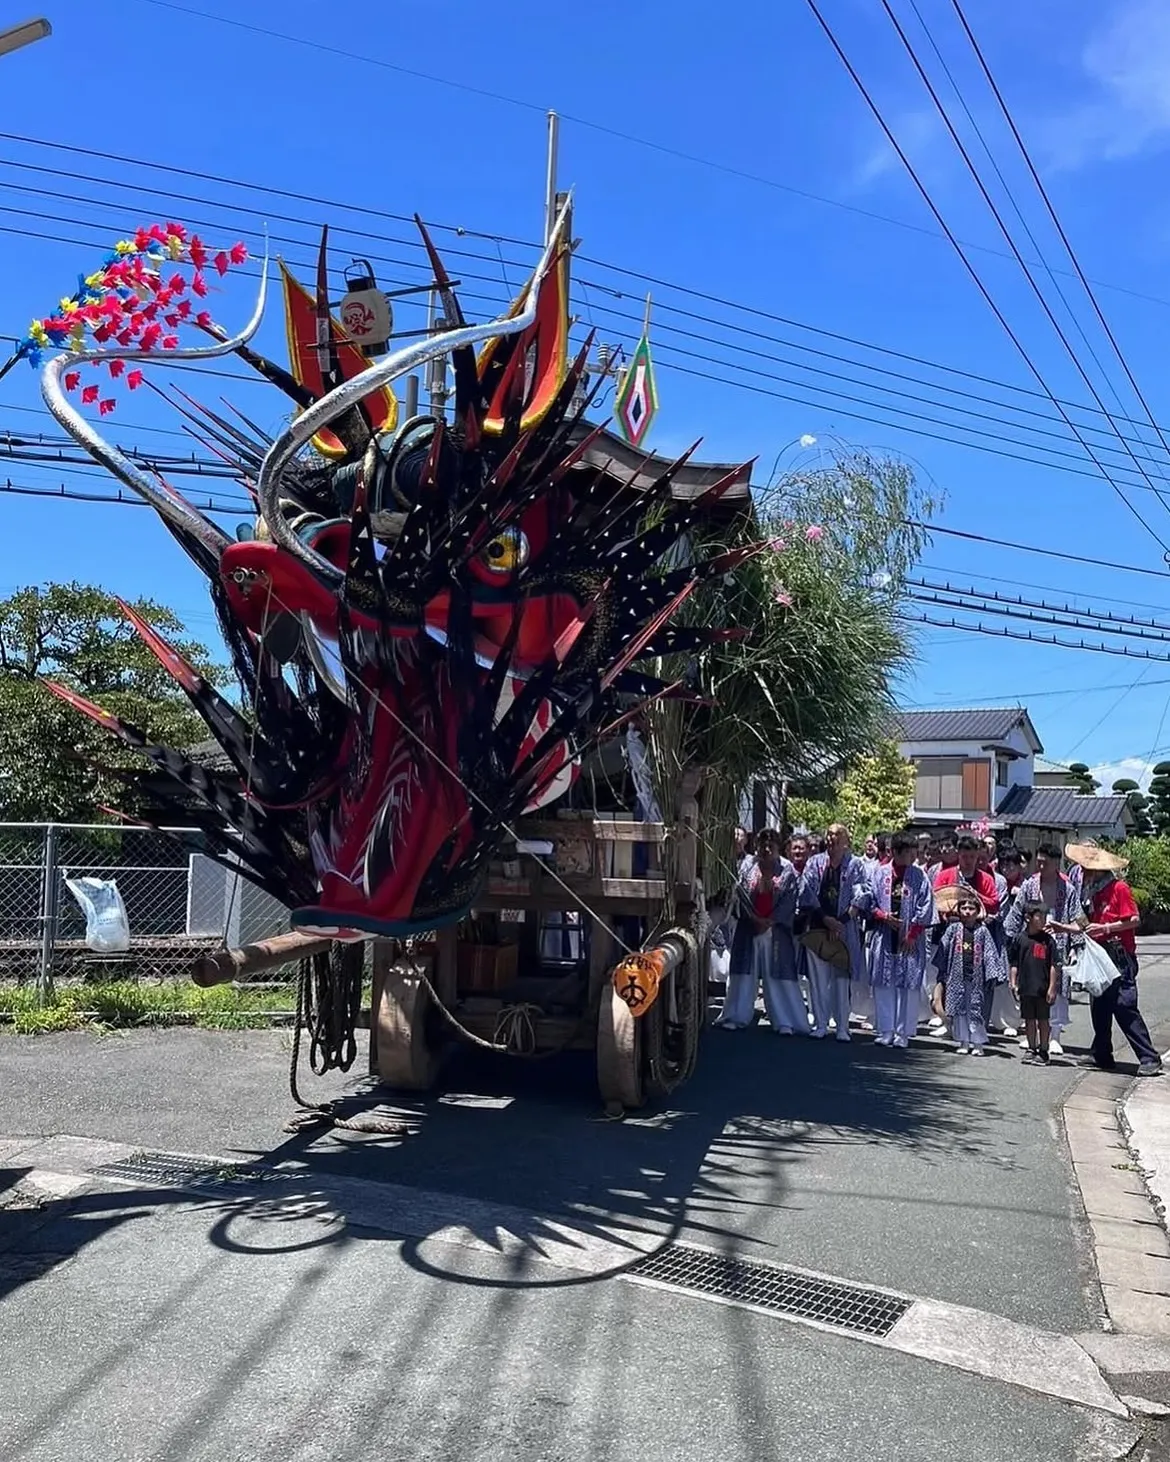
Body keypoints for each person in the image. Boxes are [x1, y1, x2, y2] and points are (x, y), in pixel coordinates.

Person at [1069, 842, 1163, 1077]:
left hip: (1119, 953)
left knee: (1124, 1004)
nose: (1083, 872)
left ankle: (1149, 1057)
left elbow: (1133, 919)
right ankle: (1102, 1054)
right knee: (1099, 1005)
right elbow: (1086, 921)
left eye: (1087, 868)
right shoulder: (1091, 891)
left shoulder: (1119, 888)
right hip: (1099, 953)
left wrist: (1105, 928)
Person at [720, 831, 805, 1033]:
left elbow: (789, 900)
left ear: (778, 848)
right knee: (743, 976)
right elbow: (739, 895)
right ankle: (736, 1015)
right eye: (762, 846)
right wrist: (754, 918)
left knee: (778, 977)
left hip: (775, 931)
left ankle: (785, 1020)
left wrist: (770, 921)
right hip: (749, 927)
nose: (766, 850)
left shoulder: (787, 870)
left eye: (771, 846)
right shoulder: (748, 866)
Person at [798, 822, 874, 1042]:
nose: (832, 839)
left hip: (844, 928)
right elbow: (807, 892)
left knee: (841, 980)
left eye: (837, 835)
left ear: (846, 841)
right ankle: (821, 1023)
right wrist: (825, 919)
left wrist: (840, 921)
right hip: (818, 925)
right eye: (829, 834)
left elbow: (862, 895)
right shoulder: (815, 862)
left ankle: (842, 1026)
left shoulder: (856, 865)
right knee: (818, 979)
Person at [1003, 842, 1080, 1056]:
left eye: (1045, 863)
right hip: (1032, 941)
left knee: (1057, 990)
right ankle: (1032, 1037)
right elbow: (1017, 913)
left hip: (1058, 941)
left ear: (1056, 863)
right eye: (1038, 862)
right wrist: (1011, 938)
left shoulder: (1069, 888)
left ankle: (1054, 1035)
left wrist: (1072, 941)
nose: (1041, 866)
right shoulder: (1029, 885)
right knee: (1031, 990)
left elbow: (1080, 921)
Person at [867, 832, 936, 1048]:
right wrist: (881, 915)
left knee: (908, 986)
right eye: (906, 852)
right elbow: (868, 899)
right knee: (884, 984)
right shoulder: (880, 873)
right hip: (885, 933)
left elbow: (926, 906)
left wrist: (913, 934)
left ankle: (903, 1032)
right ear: (895, 852)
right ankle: (886, 1029)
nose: (911, 857)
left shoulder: (919, 876)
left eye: (913, 852)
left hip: (910, 937)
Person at [937, 890, 997, 1054]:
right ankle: (963, 1042)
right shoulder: (953, 929)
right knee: (959, 1010)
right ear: (959, 910)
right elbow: (943, 949)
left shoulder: (983, 931)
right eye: (964, 908)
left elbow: (989, 953)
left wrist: (992, 974)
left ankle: (978, 1043)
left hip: (975, 977)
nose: (968, 912)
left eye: (971, 908)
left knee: (975, 1009)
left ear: (978, 912)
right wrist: (942, 972)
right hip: (956, 977)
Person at [1010, 901, 1060, 1066]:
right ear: (1028, 918)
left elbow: (1054, 965)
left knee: (1043, 1020)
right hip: (1026, 987)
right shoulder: (1020, 939)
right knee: (1029, 1020)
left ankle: (1044, 1050)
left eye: (1045, 916)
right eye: (1039, 916)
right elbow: (1014, 963)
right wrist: (1013, 982)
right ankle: (1031, 1048)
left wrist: (1052, 987)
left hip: (1043, 988)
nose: (1043, 920)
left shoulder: (1048, 941)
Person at [933, 834, 1000, 916]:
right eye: (964, 857)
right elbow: (936, 899)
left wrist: (976, 895)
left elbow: (994, 904)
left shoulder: (986, 879)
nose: (968, 860)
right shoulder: (944, 876)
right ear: (958, 854)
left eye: (972, 856)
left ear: (977, 855)